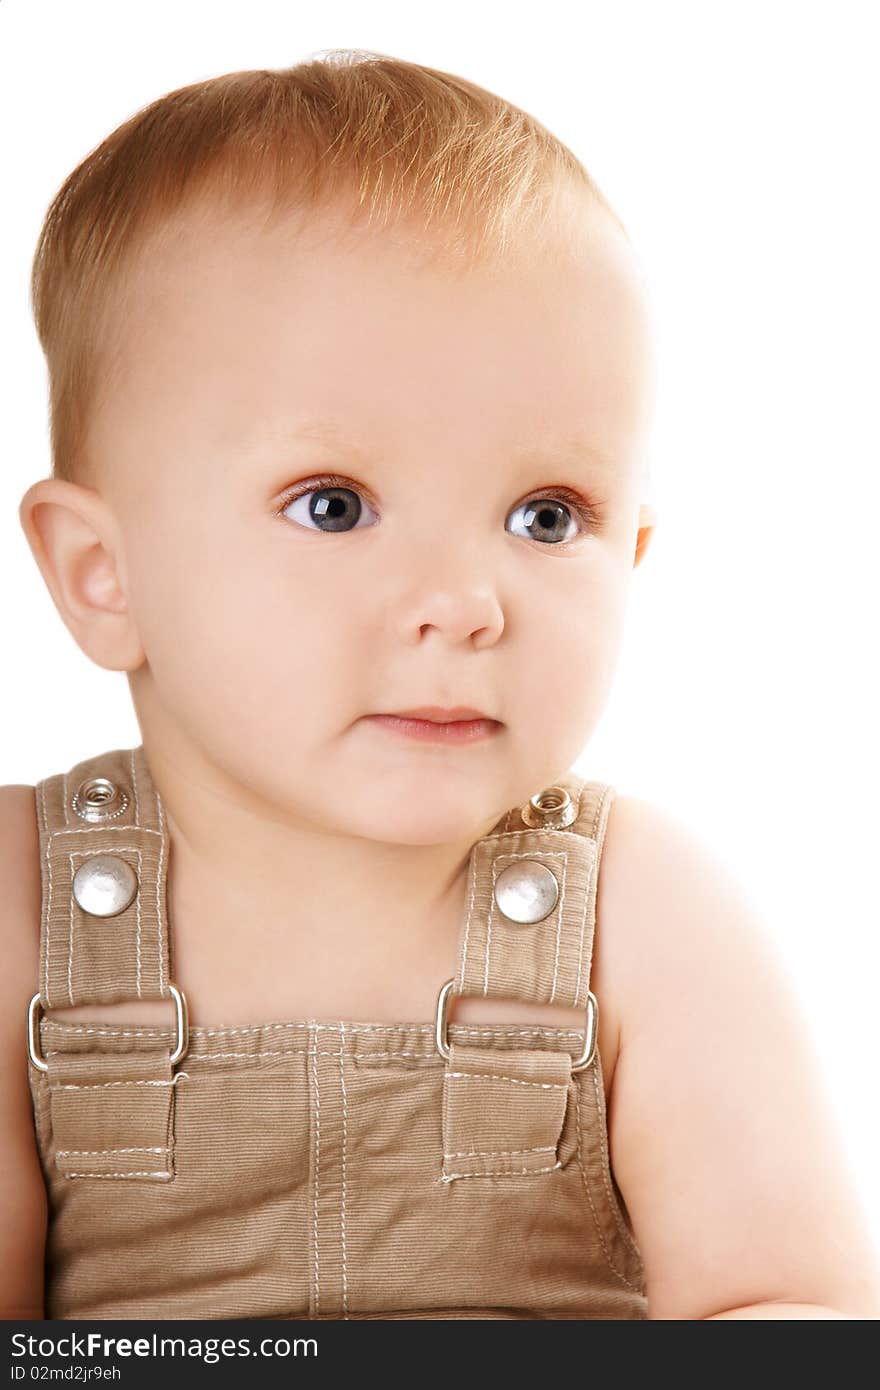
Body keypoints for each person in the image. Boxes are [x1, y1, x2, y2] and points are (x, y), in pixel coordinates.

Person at [2, 48, 878, 1321]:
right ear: (103, 574)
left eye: (543, 514)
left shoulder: (642, 914)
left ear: (633, 551)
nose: (467, 601)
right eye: (334, 504)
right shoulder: (22, 902)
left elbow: (793, 1315)